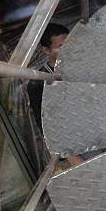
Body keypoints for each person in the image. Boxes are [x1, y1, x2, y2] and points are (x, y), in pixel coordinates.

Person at [27, 23, 83, 166]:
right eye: (61, 46)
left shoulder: (84, 64)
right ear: (47, 50)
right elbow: (45, 123)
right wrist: (70, 155)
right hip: (77, 143)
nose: (69, 48)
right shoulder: (39, 81)